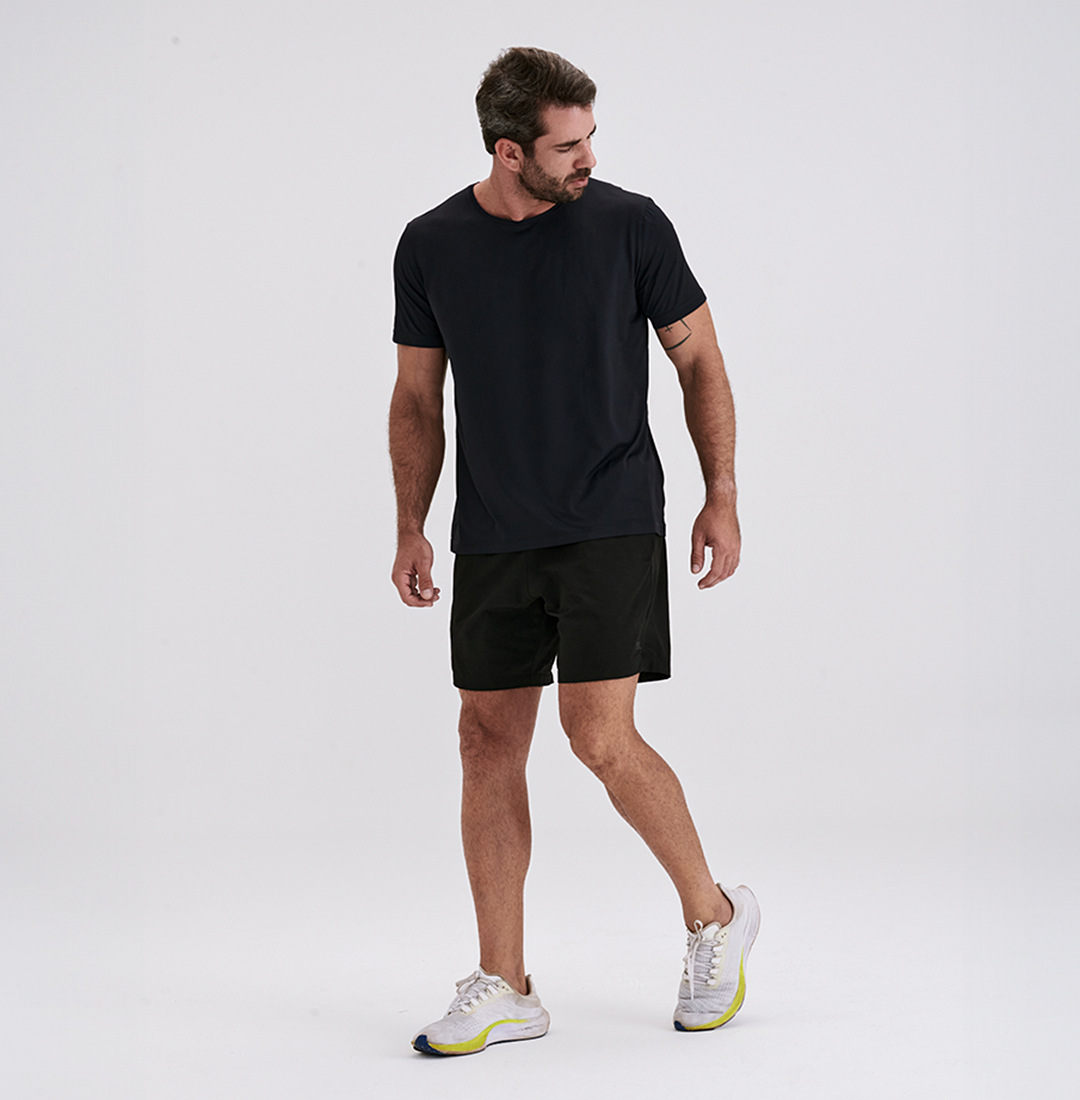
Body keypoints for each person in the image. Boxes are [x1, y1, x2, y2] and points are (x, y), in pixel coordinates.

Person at [389, 46, 758, 1056]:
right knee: (485, 739)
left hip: (610, 516)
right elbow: (417, 395)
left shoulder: (631, 224)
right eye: (567, 146)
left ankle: (715, 915)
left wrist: (721, 494)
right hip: (494, 531)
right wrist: (411, 523)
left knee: (598, 735)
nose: (589, 157)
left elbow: (699, 358)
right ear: (509, 152)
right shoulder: (431, 244)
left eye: (592, 136)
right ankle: (505, 984)